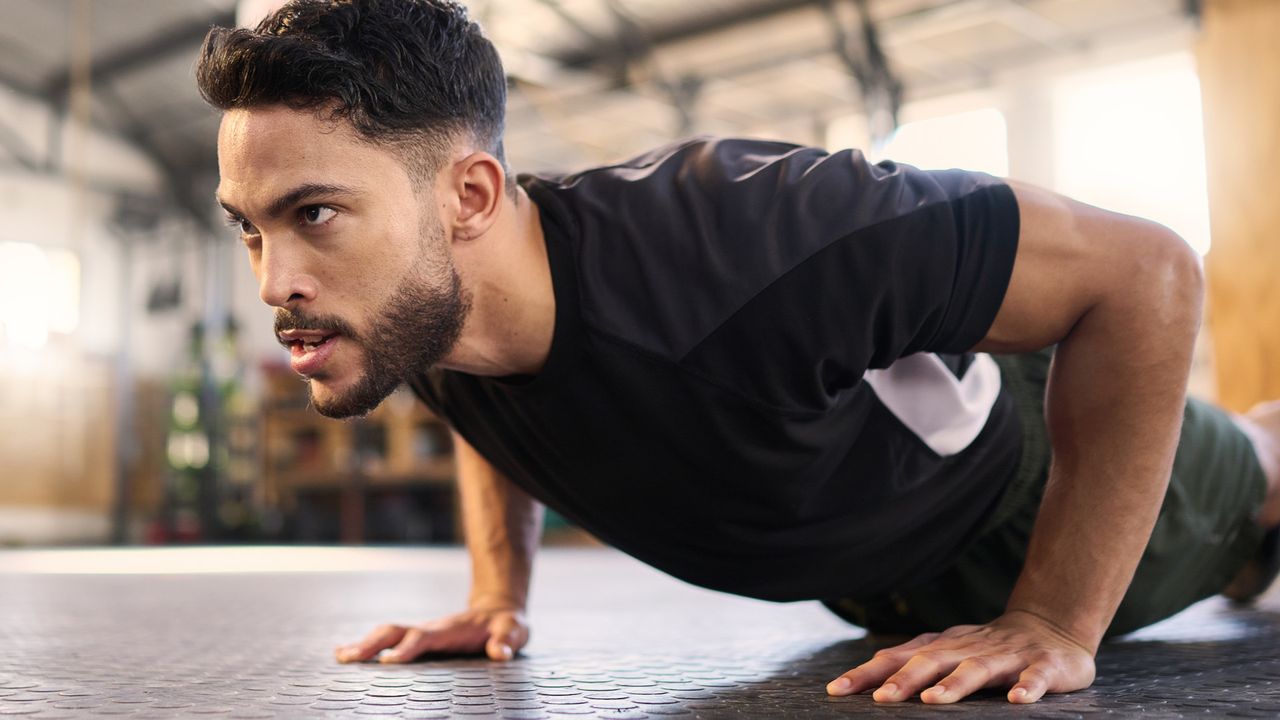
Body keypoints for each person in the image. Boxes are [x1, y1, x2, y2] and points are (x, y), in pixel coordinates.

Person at [196, 0, 1280, 705]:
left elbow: (1147, 273)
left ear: (468, 196)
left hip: (1033, 496)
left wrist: (1050, 616)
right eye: (248, 225)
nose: (271, 280)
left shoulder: (745, 234)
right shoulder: (418, 313)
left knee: (1262, 483)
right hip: (882, 593)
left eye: (314, 214)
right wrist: (496, 594)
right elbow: (493, 398)